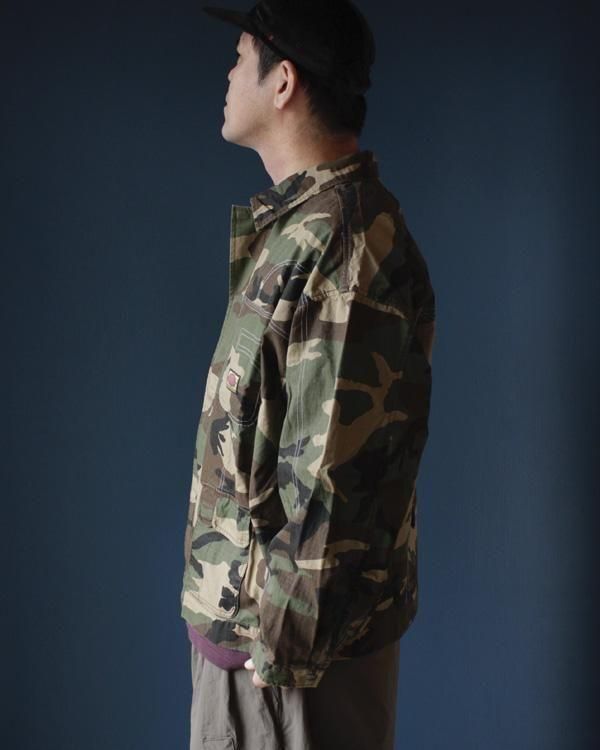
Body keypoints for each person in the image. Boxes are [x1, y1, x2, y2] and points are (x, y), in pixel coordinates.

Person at [180, 1, 436, 748]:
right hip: (256, 656)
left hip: (287, 676)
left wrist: (278, 659)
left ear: (283, 81)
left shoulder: (343, 245)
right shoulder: (304, 229)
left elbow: (331, 478)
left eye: (240, 58)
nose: (229, 75)